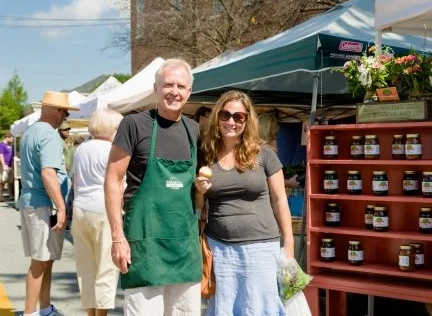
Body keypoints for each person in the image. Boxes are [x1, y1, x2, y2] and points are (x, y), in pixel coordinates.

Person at [105, 58, 202, 316]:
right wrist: (117, 238)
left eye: (181, 86)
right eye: (168, 84)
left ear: (189, 92)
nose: (174, 91)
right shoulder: (134, 125)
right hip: (145, 245)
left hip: (184, 246)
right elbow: (113, 180)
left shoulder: (193, 130)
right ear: (155, 88)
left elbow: (197, 189)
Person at [195, 90, 294, 315]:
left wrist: (288, 243)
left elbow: (280, 200)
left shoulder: (264, 153)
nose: (231, 121)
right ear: (217, 117)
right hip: (220, 248)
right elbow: (198, 206)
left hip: (261, 247)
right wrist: (199, 191)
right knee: (224, 308)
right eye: (225, 115)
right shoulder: (206, 155)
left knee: (260, 308)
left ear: (247, 120)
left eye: (238, 117)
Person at [19, 91, 79, 316]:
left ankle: (43, 309)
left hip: (34, 202)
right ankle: (31, 312)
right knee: (41, 260)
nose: (64, 117)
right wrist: (61, 207)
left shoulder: (32, 132)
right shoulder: (49, 135)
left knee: (46, 260)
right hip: (44, 204)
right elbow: (48, 174)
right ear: (55, 111)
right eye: (64, 112)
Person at [71, 109, 123, 316]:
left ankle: (91, 314)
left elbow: (75, 181)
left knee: (87, 269)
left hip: (80, 208)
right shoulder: (112, 149)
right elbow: (119, 184)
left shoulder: (81, 148)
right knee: (106, 269)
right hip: (103, 209)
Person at [258, 112, 300, 189]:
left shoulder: (250, 149)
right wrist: (288, 183)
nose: (275, 137)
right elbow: (267, 180)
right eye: (275, 134)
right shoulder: (267, 151)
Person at [0, 132, 15, 201]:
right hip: (4, 166)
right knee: (2, 181)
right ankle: (0, 197)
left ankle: (11, 195)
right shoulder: (2, 145)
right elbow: (1, 155)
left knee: (10, 182)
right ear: (7, 137)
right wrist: (3, 165)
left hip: (10, 166)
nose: (13, 140)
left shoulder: (10, 145)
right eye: (12, 138)